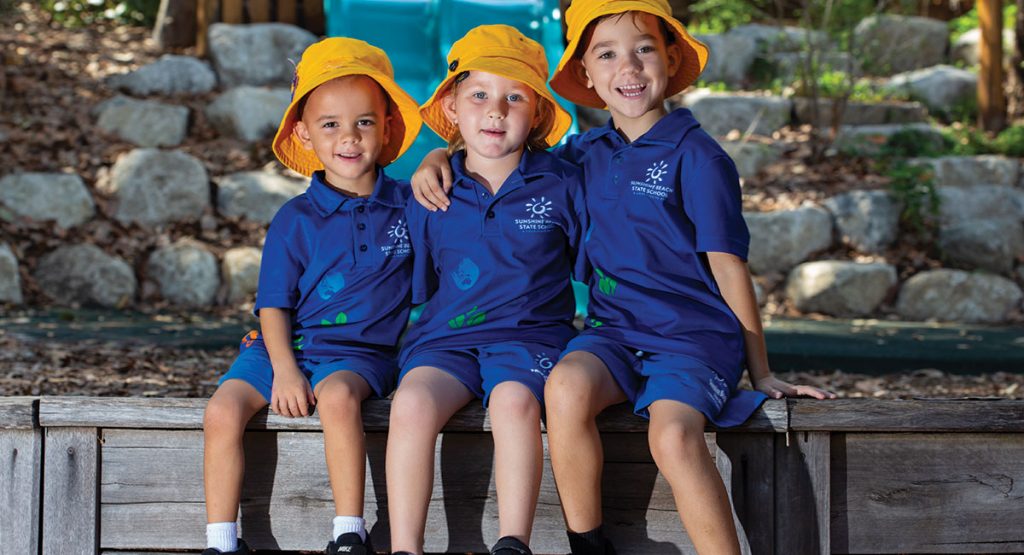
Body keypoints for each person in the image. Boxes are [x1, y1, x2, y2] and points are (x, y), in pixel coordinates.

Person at [409, 1, 835, 553]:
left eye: (644, 50)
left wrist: (762, 371)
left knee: (673, 436)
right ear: (586, 73)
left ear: (671, 56)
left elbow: (730, 266)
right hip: (613, 335)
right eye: (606, 54)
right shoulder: (584, 154)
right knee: (564, 386)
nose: (627, 68)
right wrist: (438, 154)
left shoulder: (699, 158)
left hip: (691, 339)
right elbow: (499, 147)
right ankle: (589, 543)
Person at [200, 37, 421, 555]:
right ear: (304, 132)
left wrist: (435, 159)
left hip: (360, 356)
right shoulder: (295, 220)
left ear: (387, 124)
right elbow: (273, 304)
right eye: (330, 125)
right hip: (281, 348)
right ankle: (221, 541)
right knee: (221, 411)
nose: (349, 137)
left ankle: (348, 533)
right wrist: (283, 369)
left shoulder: (411, 206)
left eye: (364, 121)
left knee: (339, 399)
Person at [385, 24, 587, 555]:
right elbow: (420, 284)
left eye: (514, 97)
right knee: (410, 403)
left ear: (538, 114)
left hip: (531, 340)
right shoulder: (431, 191)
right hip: (445, 340)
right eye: (479, 95)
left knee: (514, 402)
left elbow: (590, 264)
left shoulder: (563, 183)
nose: (495, 110)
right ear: (451, 107)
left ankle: (512, 543)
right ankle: (405, 546)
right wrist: (434, 158)